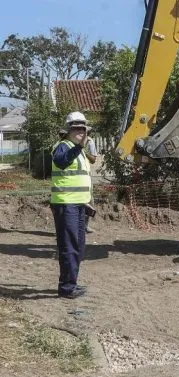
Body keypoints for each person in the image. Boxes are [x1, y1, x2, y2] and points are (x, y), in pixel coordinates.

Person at [50, 111, 93, 299]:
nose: (80, 132)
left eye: (83, 129)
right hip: (65, 204)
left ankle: (71, 284)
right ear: (68, 130)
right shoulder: (63, 146)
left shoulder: (79, 150)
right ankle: (67, 288)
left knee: (78, 246)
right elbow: (61, 162)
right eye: (76, 128)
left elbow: (81, 179)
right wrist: (78, 148)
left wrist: (88, 203)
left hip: (79, 205)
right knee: (69, 246)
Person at [83, 131, 99, 233]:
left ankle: (85, 225)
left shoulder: (90, 142)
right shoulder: (71, 142)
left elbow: (93, 159)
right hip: (73, 177)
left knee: (89, 201)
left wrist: (84, 152)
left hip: (86, 176)